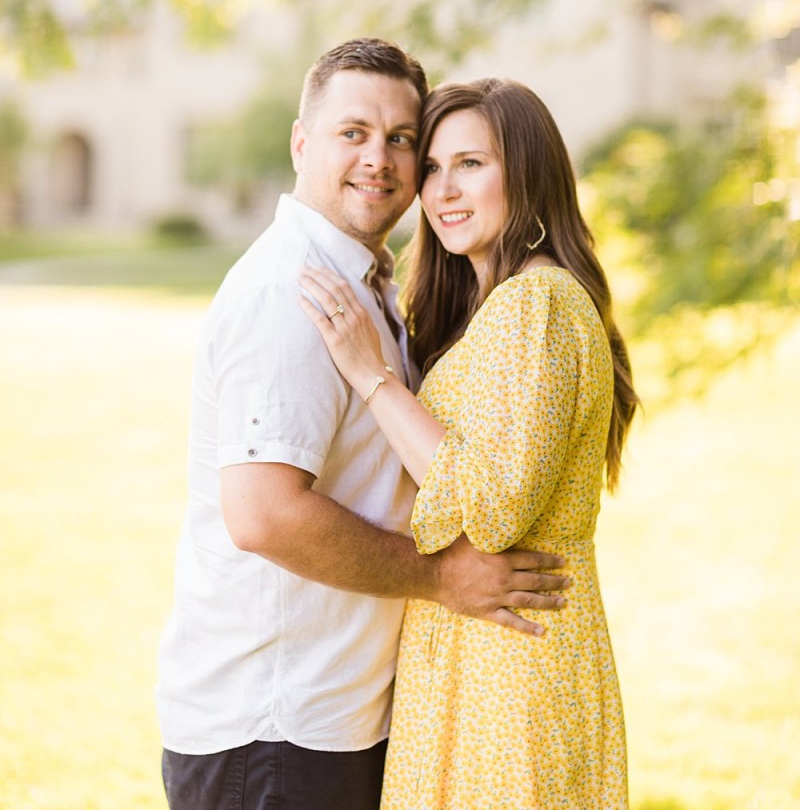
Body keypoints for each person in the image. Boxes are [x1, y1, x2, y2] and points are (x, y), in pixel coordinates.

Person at [156, 42, 569, 810]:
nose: (378, 158)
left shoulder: (365, 285)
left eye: (401, 138)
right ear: (301, 143)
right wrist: (441, 578)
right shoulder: (290, 294)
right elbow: (264, 514)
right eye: (353, 132)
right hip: (274, 730)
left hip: (334, 719)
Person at [300, 76, 640, 810]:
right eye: (432, 167)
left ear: (529, 174)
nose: (443, 190)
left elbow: (492, 510)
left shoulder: (538, 303)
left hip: (511, 671)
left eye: (471, 164)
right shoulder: (495, 309)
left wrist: (371, 375)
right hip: (480, 658)